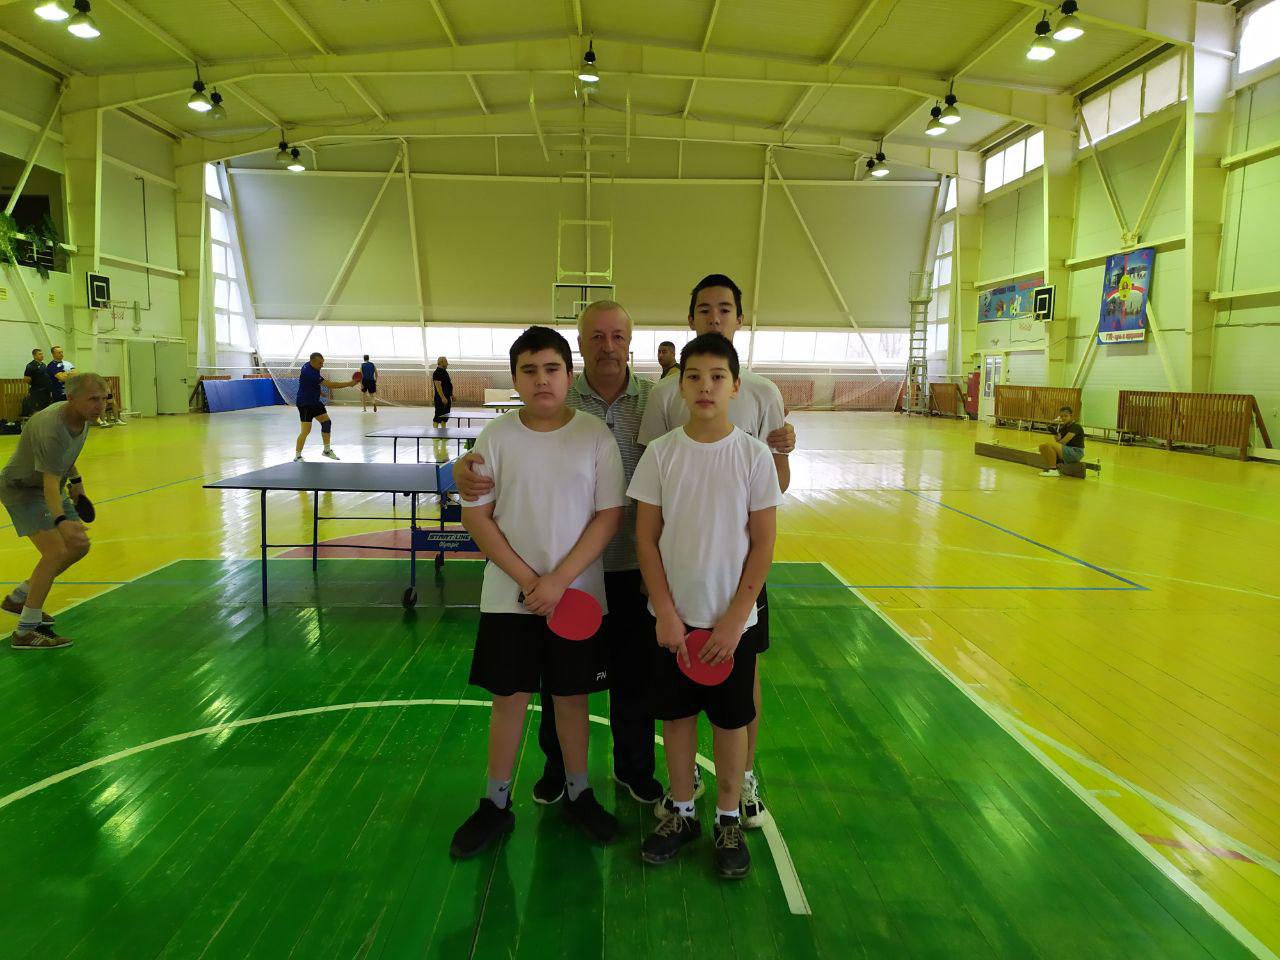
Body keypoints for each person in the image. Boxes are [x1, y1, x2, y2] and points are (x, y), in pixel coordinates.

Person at [449, 325, 626, 859]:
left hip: (578, 598)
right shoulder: (495, 438)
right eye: (529, 370)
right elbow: (476, 517)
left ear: (569, 376)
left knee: (572, 699)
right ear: (515, 379)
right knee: (509, 701)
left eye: (551, 369)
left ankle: (579, 794)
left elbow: (609, 516)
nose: (541, 379)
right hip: (510, 598)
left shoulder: (596, 437)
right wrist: (530, 581)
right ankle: (495, 804)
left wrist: (558, 581)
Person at [637, 273, 793, 828]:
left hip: (735, 607)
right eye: (694, 378)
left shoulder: (754, 448)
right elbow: (647, 534)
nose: (705, 387)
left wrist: (734, 618)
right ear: (680, 386)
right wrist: (665, 610)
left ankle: (733, 803)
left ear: (735, 386)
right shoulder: (661, 449)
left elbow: (764, 536)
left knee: (734, 710)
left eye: (718, 378)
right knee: (676, 716)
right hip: (673, 612)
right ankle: (682, 804)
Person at [1, 372, 109, 650]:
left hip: (49, 485)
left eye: (104, 398)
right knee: (56, 552)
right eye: (93, 399)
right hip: (22, 489)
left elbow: (63, 458)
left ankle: (19, 598)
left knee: (79, 546)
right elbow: (49, 482)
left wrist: (77, 482)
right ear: (71, 399)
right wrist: (60, 520)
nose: (100, 405)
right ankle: (25, 632)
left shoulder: (83, 418)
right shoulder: (52, 428)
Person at [293, 352, 355, 462]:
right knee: (306, 431)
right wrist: (349, 383)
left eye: (322, 362)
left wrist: (318, 392)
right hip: (305, 404)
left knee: (326, 422)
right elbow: (330, 385)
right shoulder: (310, 373)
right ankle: (297, 456)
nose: (322, 365)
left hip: (315, 402)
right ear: (312, 362)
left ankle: (326, 451)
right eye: (320, 363)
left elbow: (308, 383)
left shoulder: (308, 365)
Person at [1039, 405, 1085, 477]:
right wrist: (1056, 436)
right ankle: (1054, 467)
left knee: (1048, 445)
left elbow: (1063, 442)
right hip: (1066, 449)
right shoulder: (1064, 427)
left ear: (1071, 416)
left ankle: (1053, 470)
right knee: (1042, 447)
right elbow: (1059, 442)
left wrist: (1058, 441)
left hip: (1076, 452)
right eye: (1061, 416)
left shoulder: (1076, 426)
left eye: (1065, 416)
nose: (1063, 418)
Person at [22, 348, 54, 415]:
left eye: (42, 354)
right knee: (38, 410)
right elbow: (26, 379)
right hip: (37, 391)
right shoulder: (30, 365)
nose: (42, 355)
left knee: (45, 409)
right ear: (34, 356)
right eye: (39, 354)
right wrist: (36, 384)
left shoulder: (43, 365)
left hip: (46, 391)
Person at [432, 356, 453, 426]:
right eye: (446, 362)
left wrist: (451, 395)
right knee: (438, 416)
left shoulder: (444, 372)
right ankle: (435, 432)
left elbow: (448, 385)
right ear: (441, 362)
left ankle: (443, 431)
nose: (447, 364)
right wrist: (443, 397)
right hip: (440, 398)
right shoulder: (437, 373)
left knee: (445, 416)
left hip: (447, 397)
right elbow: (438, 386)